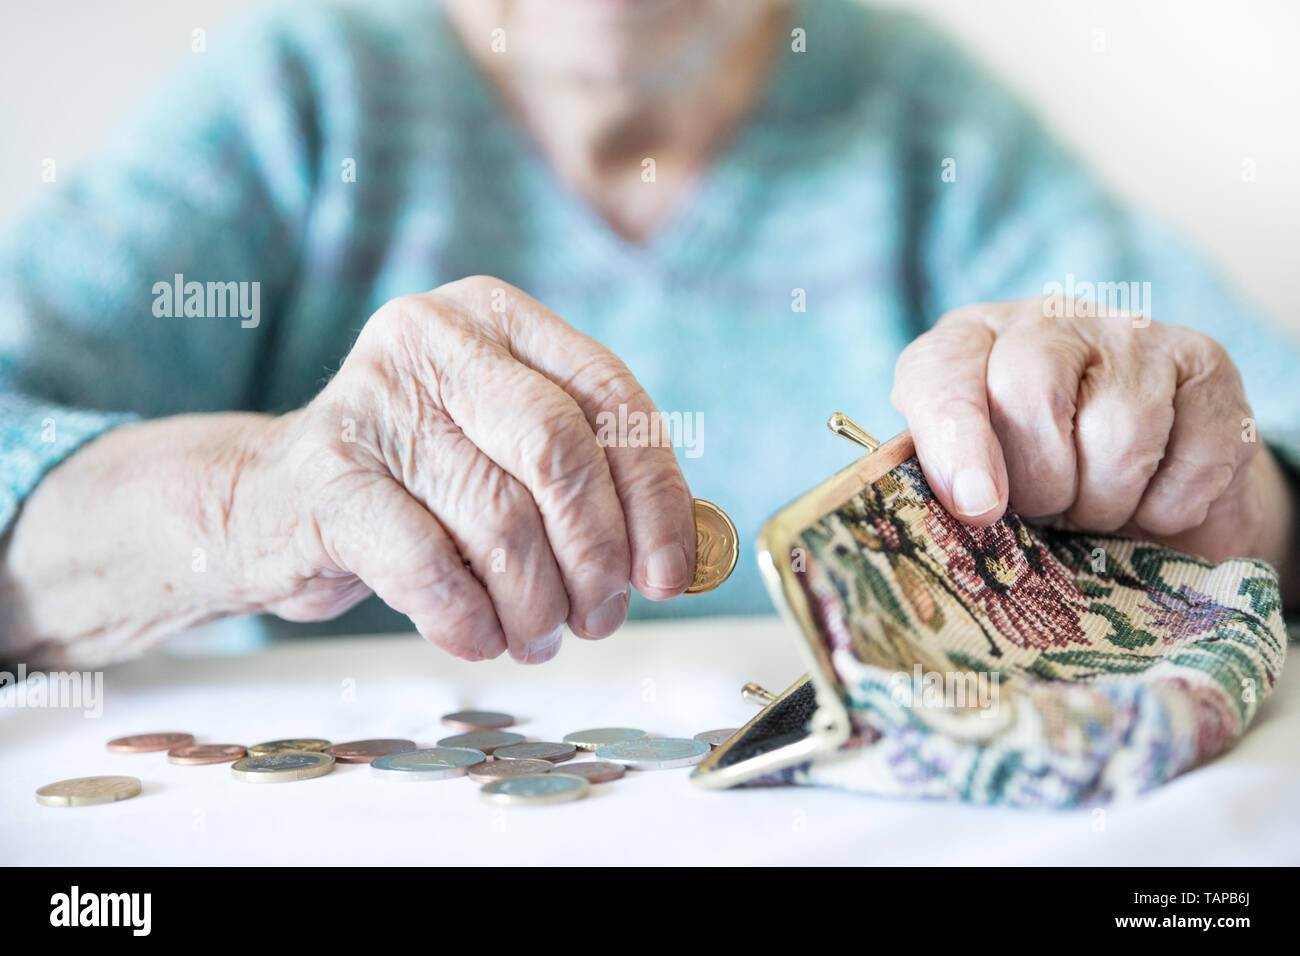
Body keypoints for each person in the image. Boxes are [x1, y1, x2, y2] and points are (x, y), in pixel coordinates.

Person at [2, 0, 1297, 670]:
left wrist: (1216, 497)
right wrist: (248, 505)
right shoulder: (299, 94)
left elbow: (1265, 438)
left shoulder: (924, 123)